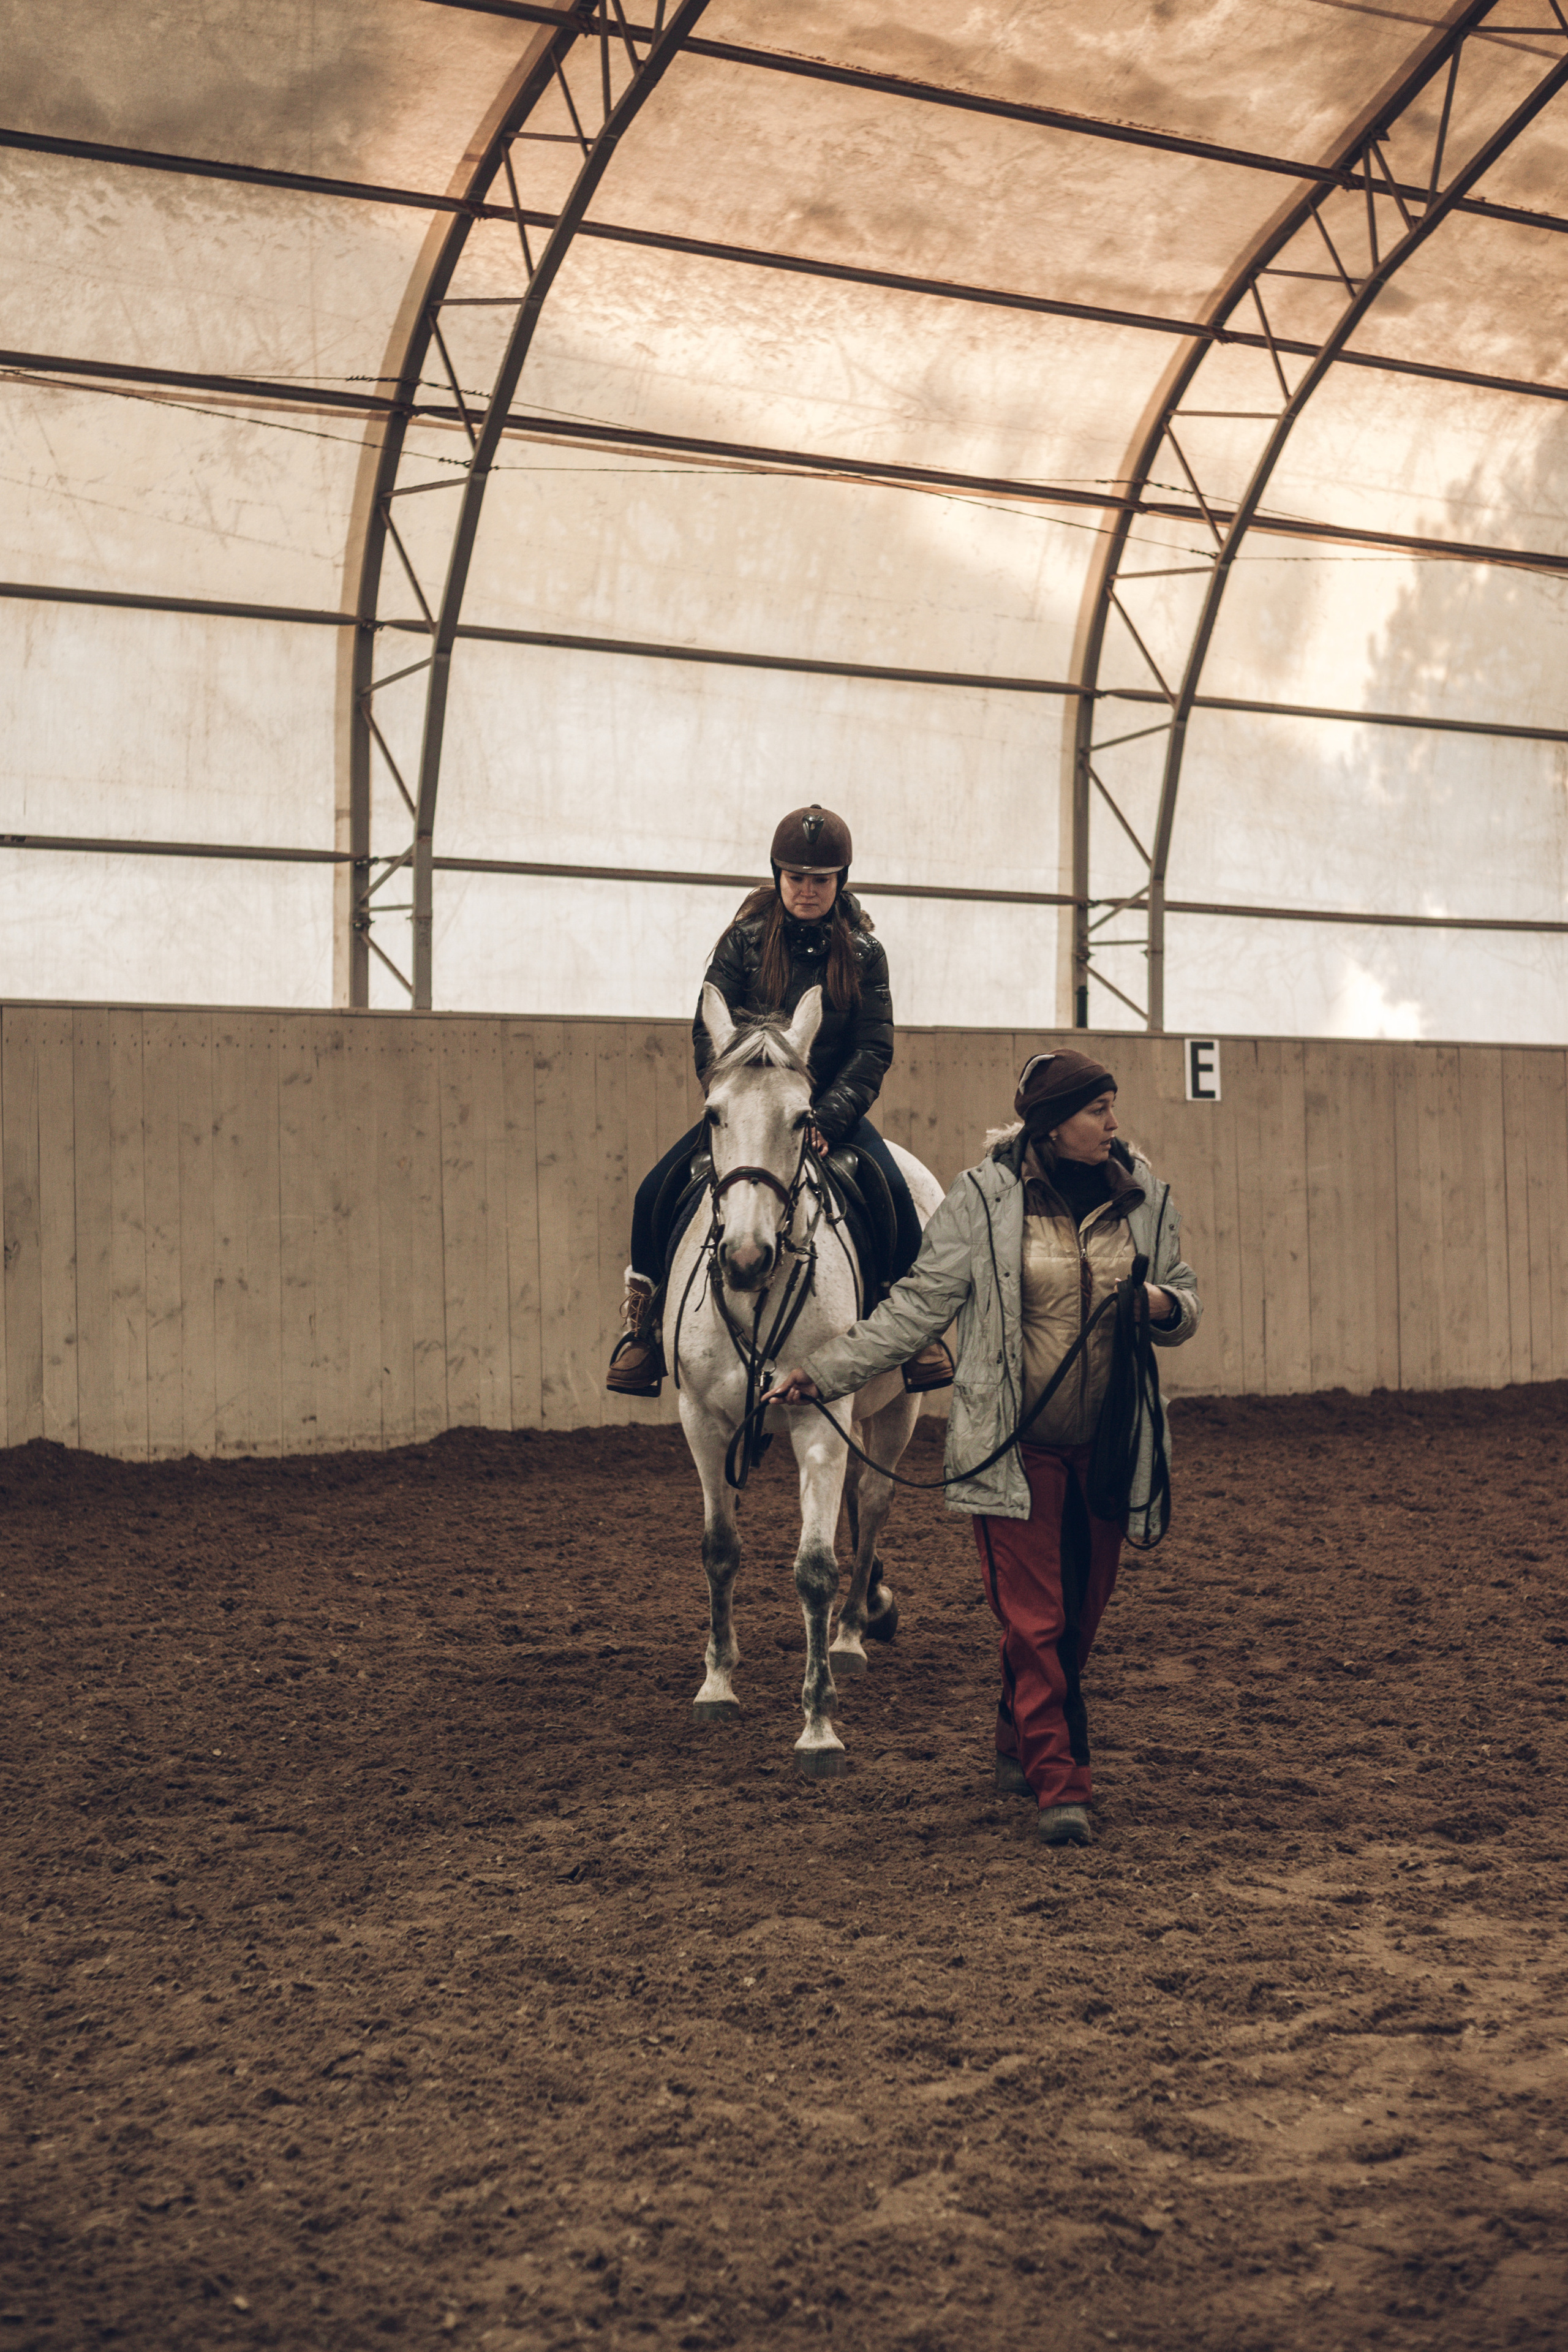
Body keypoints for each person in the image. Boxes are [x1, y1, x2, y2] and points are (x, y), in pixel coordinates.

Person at [767, 1049, 1201, 1846]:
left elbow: (1187, 1297)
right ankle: (1060, 1781)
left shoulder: (1144, 1194)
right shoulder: (982, 1201)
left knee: (1078, 1621)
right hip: (1013, 1444)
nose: (1115, 1124)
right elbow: (915, 1309)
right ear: (1051, 1123)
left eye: (1113, 1107)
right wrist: (822, 1374)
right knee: (1037, 1624)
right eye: (1098, 1110)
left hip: (1108, 1438)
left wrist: (1161, 1301)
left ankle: (1015, 1734)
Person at [606, 803, 953, 1397]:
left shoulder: (865, 954)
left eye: (820, 880)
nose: (807, 890)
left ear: (840, 881)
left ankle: (913, 1334)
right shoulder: (741, 943)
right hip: (748, 1115)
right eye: (796, 878)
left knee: (893, 1193)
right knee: (652, 1193)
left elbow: (871, 1048)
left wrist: (830, 1117)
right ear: (778, 876)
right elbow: (704, 1030)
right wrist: (734, 1100)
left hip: (829, 1117)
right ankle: (642, 1334)